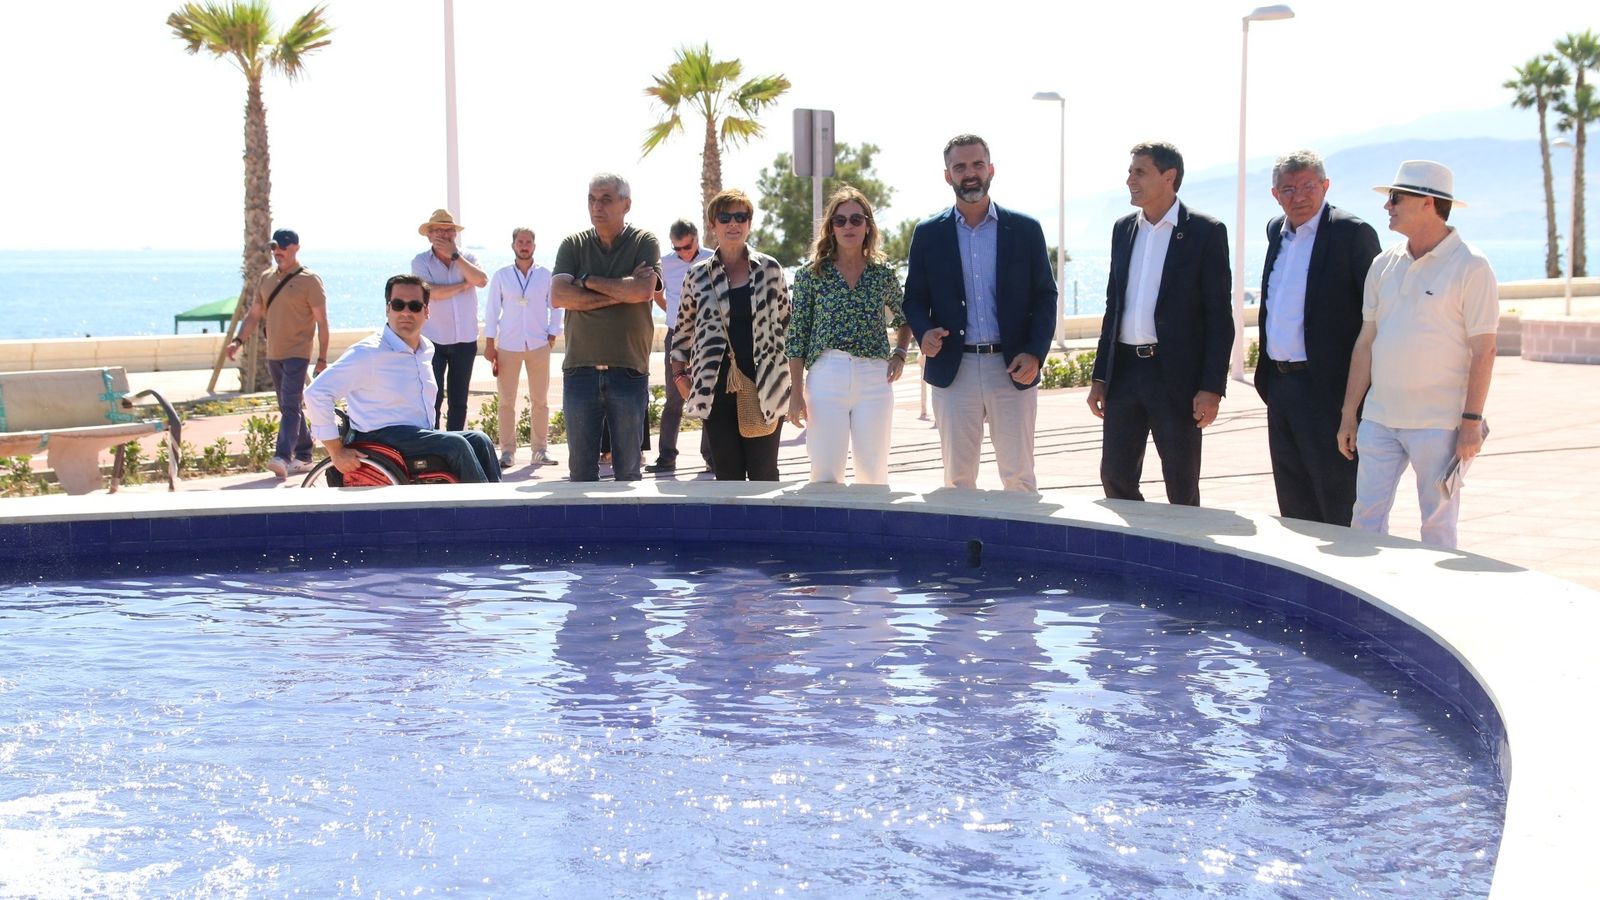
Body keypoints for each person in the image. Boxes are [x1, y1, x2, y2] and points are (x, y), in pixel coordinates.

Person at [1337, 161, 1497, 549]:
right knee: (1365, 521)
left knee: (1437, 528)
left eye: (1395, 198)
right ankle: (1366, 604)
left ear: (1428, 203)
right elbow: (1365, 342)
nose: (1387, 206)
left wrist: (1471, 422)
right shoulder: (1382, 264)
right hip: (1379, 418)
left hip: (1440, 424)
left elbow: (1485, 350)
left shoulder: (1472, 266)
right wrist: (1349, 414)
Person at [903, 134, 1057, 492]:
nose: (969, 174)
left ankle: (1021, 549)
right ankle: (963, 549)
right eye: (960, 167)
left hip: (1013, 367)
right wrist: (924, 331)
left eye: (976, 165)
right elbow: (913, 299)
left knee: (1019, 478)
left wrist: (1035, 352)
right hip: (954, 371)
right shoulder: (927, 234)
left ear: (991, 169)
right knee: (958, 481)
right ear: (948, 176)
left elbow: (1045, 296)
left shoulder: (1025, 230)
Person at [1087, 141, 1232, 506]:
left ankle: (1182, 557)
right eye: (1130, 171)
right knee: (1115, 476)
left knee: (1181, 484)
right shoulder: (1123, 230)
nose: (1129, 180)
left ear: (1169, 177)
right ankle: (1136, 552)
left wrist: (1211, 387)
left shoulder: (1205, 232)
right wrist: (1100, 377)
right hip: (1125, 374)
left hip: (1175, 378)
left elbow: (1219, 316)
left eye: (1140, 171)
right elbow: (1113, 307)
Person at [1254, 150, 1382, 525]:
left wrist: (1356, 401)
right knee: (1293, 500)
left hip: (1328, 390)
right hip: (1279, 386)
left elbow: (1374, 318)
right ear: (1275, 194)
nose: (1299, 196)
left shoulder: (1351, 233)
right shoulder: (1274, 232)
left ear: (1325, 186)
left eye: (1308, 186)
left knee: (1336, 500)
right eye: (1288, 189)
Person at [304, 275, 500, 483]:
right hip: (380, 437)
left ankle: (501, 508)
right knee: (456, 447)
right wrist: (336, 451)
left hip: (417, 435)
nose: (406, 312)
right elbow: (316, 392)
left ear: (426, 311)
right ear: (388, 309)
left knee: (481, 440)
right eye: (398, 305)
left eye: (415, 306)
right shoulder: (368, 353)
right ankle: (481, 512)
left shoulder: (426, 349)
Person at [787, 186, 913, 484]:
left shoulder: (882, 274)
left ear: (868, 225)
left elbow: (906, 318)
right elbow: (797, 335)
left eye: (856, 219)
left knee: (873, 474)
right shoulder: (811, 274)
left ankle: (871, 530)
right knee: (825, 473)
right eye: (840, 220)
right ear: (830, 227)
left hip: (875, 378)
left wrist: (900, 353)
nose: (848, 226)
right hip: (825, 377)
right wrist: (795, 391)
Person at [671, 189, 791, 481]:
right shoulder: (698, 275)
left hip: (765, 383)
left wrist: (796, 383)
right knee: (727, 475)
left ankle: (767, 528)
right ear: (713, 224)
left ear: (750, 223)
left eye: (741, 216)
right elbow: (684, 327)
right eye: (725, 217)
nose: (733, 224)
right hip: (716, 387)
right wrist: (679, 376)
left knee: (764, 474)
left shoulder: (770, 270)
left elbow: (789, 326)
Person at [551, 173, 661, 482]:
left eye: (606, 199)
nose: (597, 206)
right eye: (592, 199)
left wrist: (585, 281)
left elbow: (642, 292)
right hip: (580, 371)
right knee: (581, 474)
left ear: (626, 204)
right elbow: (558, 295)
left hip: (628, 371)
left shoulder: (644, 242)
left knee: (628, 473)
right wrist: (620, 292)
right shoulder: (573, 245)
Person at [227, 227, 330, 479]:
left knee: (290, 405)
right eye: (274, 247)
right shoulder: (266, 278)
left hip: (298, 352)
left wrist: (322, 358)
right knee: (289, 406)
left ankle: (282, 456)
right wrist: (238, 340)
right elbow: (254, 314)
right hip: (274, 354)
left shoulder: (310, 280)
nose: (277, 252)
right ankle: (304, 455)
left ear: (296, 247)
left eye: (282, 247)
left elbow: (322, 322)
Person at [484, 226, 561, 469]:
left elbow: (556, 306)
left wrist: (552, 333)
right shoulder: (502, 275)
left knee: (541, 400)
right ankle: (507, 452)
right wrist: (489, 343)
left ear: (534, 246)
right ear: (513, 245)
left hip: (538, 344)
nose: (524, 245)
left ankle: (540, 450)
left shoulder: (546, 275)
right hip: (508, 344)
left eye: (528, 242)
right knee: (506, 401)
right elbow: (492, 310)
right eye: (520, 241)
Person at [411, 209, 488, 431]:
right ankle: (433, 443)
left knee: (459, 400)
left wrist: (456, 256)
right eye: (439, 230)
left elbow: (481, 280)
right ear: (429, 235)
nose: (445, 235)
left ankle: (455, 444)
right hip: (433, 340)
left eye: (449, 230)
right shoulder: (420, 261)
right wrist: (464, 285)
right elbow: (430, 293)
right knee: (432, 398)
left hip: (465, 339)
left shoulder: (468, 258)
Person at [648, 218, 713, 473]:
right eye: (677, 248)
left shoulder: (712, 258)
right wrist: (672, 313)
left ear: (696, 239)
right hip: (676, 335)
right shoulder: (665, 263)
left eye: (687, 247)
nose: (683, 253)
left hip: (706, 335)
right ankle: (666, 457)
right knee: (673, 397)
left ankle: (711, 456)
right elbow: (656, 293)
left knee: (707, 394)